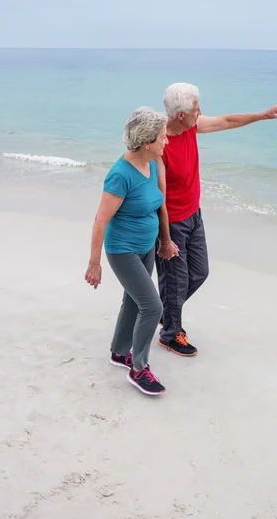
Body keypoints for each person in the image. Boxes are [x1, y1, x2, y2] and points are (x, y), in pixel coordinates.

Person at [155, 83, 277, 357]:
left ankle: (163, 309)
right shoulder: (161, 145)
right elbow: (158, 199)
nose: (200, 112)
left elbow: (227, 121)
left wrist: (264, 114)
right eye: (195, 109)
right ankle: (170, 334)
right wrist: (165, 239)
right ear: (180, 115)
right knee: (176, 281)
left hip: (194, 215)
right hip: (172, 224)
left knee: (200, 272)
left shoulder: (191, 126)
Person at [85, 107, 177, 396]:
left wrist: (164, 239)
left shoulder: (152, 162)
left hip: (145, 247)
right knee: (153, 306)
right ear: (147, 141)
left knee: (135, 302)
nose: (167, 141)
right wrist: (94, 263)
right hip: (122, 249)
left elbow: (158, 202)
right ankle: (139, 368)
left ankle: (119, 352)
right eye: (163, 137)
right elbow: (101, 220)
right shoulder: (120, 175)